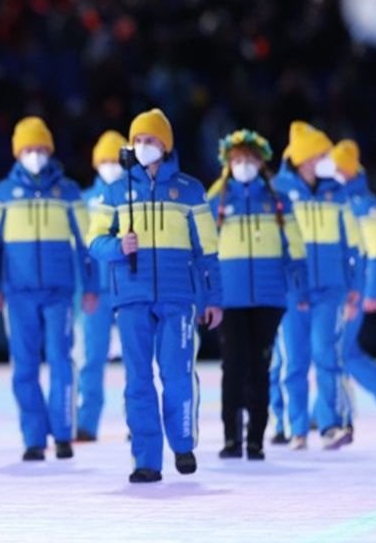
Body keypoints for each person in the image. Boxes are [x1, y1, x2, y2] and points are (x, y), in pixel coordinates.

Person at [86, 108, 223, 483]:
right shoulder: (115, 191)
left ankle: (182, 441)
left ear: (166, 145)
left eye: (150, 140)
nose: (143, 146)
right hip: (131, 297)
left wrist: (212, 298)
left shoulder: (190, 190)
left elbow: (208, 251)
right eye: (138, 140)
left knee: (177, 374)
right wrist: (118, 246)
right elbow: (94, 241)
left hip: (178, 299)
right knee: (138, 380)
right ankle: (146, 459)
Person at [0, 116, 96, 461]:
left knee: (61, 361)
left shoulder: (68, 192)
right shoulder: (2, 193)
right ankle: (33, 438)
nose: (35, 155)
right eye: (28, 149)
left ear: (50, 150)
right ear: (17, 152)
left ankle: (63, 434)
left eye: (41, 148)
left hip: (59, 293)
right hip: (18, 294)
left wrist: (91, 286)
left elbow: (88, 242)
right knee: (24, 365)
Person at [208, 130, 307, 460]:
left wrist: (299, 289)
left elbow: (296, 249)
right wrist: (206, 295)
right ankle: (231, 439)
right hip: (229, 300)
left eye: (249, 159)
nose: (244, 165)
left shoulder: (278, 200)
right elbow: (204, 251)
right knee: (233, 368)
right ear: (227, 163)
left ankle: (255, 441)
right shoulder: (217, 200)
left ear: (261, 162)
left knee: (259, 368)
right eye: (237, 160)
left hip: (269, 298)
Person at [272, 122, 361, 450]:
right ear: (305, 158)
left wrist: (354, 283)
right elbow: (275, 244)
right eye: (322, 154)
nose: (328, 160)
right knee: (294, 360)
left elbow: (354, 241)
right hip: (292, 291)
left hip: (330, 289)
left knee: (327, 354)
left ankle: (331, 425)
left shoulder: (336, 191)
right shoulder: (278, 190)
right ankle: (295, 428)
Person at [330, 140, 376, 428]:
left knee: (339, 350)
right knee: (336, 349)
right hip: (336, 288)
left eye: (337, 169)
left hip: (355, 291)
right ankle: (325, 411)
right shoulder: (335, 200)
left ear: (348, 171)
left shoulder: (367, 206)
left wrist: (372, 292)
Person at [76, 130, 127, 442]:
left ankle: (137, 421)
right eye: (105, 160)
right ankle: (86, 423)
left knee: (136, 358)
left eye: (115, 160)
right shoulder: (84, 202)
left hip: (129, 289)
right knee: (92, 358)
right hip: (97, 292)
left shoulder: (133, 196)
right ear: (96, 164)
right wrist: (87, 288)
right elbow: (80, 251)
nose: (110, 166)